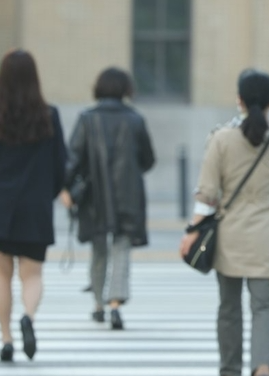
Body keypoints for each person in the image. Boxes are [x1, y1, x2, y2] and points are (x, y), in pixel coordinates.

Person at [180, 69, 269, 376]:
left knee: (228, 310)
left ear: (239, 99)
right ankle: (261, 368)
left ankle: (229, 369)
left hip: (228, 239)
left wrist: (193, 231)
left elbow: (206, 194)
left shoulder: (220, 139)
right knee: (262, 309)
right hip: (264, 239)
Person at [0, 50, 67, 362]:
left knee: (1, 275)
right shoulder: (49, 115)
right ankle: (28, 316)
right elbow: (59, 165)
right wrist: (49, 192)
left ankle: (6, 338)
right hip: (35, 206)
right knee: (32, 274)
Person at [60, 67, 155, 330]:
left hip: (94, 197)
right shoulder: (135, 120)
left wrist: (66, 188)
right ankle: (115, 304)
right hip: (128, 196)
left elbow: (72, 159)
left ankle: (98, 304)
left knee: (98, 248)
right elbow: (148, 159)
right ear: (126, 90)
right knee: (121, 249)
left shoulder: (87, 119)